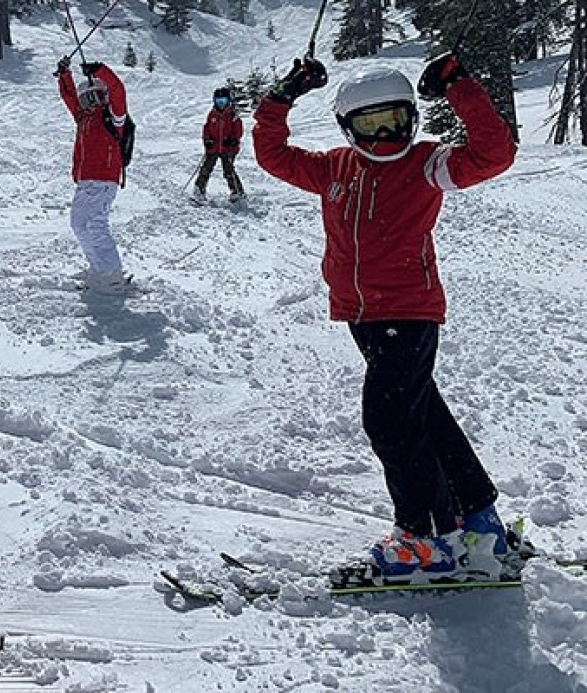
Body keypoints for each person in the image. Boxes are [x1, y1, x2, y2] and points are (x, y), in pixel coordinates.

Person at [252, 54, 518, 583]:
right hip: (363, 315)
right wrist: (280, 97)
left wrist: (459, 85)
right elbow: (272, 154)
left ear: (411, 118)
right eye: (368, 125)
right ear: (347, 128)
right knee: (423, 416)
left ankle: (426, 540)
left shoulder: (426, 164)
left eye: (393, 120)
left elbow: (495, 152)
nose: (383, 135)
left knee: (391, 422)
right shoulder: (333, 169)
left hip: (408, 311)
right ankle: (480, 523)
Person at [56, 55, 130, 294]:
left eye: (94, 96)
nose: (88, 102)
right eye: (85, 98)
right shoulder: (83, 117)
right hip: (85, 179)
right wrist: (65, 75)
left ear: (103, 95)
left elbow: (118, 90)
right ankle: (99, 268)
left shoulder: (113, 117)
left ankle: (112, 275)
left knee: (95, 225)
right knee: (79, 224)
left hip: (104, 179)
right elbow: (69, 98)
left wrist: (100, 71)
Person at [193, 86, 246, 205]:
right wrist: (207, 140)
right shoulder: (212, 114)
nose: (221, 104)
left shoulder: (233, 115)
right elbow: (206, 128)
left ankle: (237, 192)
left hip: (228, 149)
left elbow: (239, 131)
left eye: (223, 101)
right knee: (206, 169)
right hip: (214, 147)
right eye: (218, 101)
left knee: (229, 170)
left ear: (228, 101)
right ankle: (199, 191)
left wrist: (233, 140)